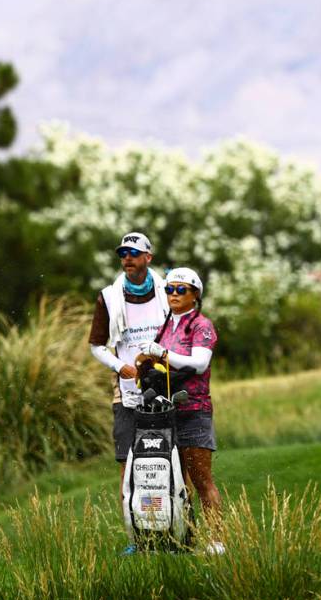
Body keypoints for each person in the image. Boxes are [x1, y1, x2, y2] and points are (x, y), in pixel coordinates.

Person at [139, 266, 224, 554]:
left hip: (194, 409)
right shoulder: (166, 325)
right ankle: (180, 539)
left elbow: (198, 364)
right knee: (172, 480)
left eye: (180, 289)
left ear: (195, 295)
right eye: (169, 289)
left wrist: (160, 353)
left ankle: (216, 541)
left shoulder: (202, 325)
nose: (173, 294)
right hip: (165, 412)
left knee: (201, 480)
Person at [88, 232, 169, 529]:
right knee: (128, 459)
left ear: (148, 257)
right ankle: (134, 531)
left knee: (173, 453)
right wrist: (120, 366)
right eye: (123, 254)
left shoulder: (168, 290)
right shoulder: (109, 297)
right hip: (127, 387)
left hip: (168, 382)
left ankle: (177, 523)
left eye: (133, 254)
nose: (127, 259)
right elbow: (96, 345)